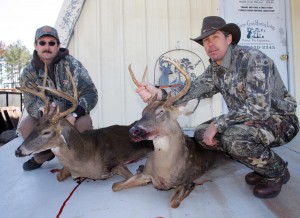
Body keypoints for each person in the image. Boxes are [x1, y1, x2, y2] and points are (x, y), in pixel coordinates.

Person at [135, 16, 299, 198]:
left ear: (228, 39)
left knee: (233, 138)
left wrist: (218, 124)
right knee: (201, 134)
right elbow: (191, 90)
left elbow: (258, 108)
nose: (210, 44)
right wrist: (158, 93)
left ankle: (277, 172)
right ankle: (260, 164)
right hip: (246, 120)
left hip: (279, 120)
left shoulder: (254, 60)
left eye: (215, 37)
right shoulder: (215, 68)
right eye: (206, 40)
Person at [17, 25, 98, 171]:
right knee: (25, 126)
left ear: (58, 45)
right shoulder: (29, 72)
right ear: (36, 45)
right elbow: (30, 102)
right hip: (45, 117)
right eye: (42, 43)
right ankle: (43, 156)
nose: (47, 47)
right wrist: (42, 111)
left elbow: (90, 93)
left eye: (51, 43)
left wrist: (74, 114)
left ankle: (78, 158)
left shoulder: (72, 65)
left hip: (69, 114)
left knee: (84, 124)